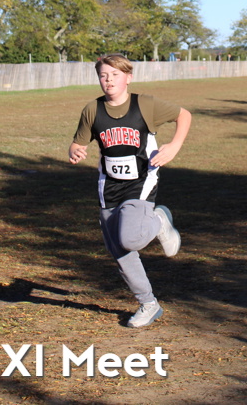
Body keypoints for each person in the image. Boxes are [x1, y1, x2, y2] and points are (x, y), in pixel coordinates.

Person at [68, 54, 191, 328]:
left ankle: (158, 220)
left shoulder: (145, 104)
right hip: (109, 185)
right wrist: (75, 151)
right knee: (118, 249)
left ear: (128, 78)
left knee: (130, 239)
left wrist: (174, 146)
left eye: (115, 75)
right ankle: (148, 304)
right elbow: (77, 142)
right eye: (103, 75)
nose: (109, 80)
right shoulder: (92, 109)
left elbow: (184, 115)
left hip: (141, 181)